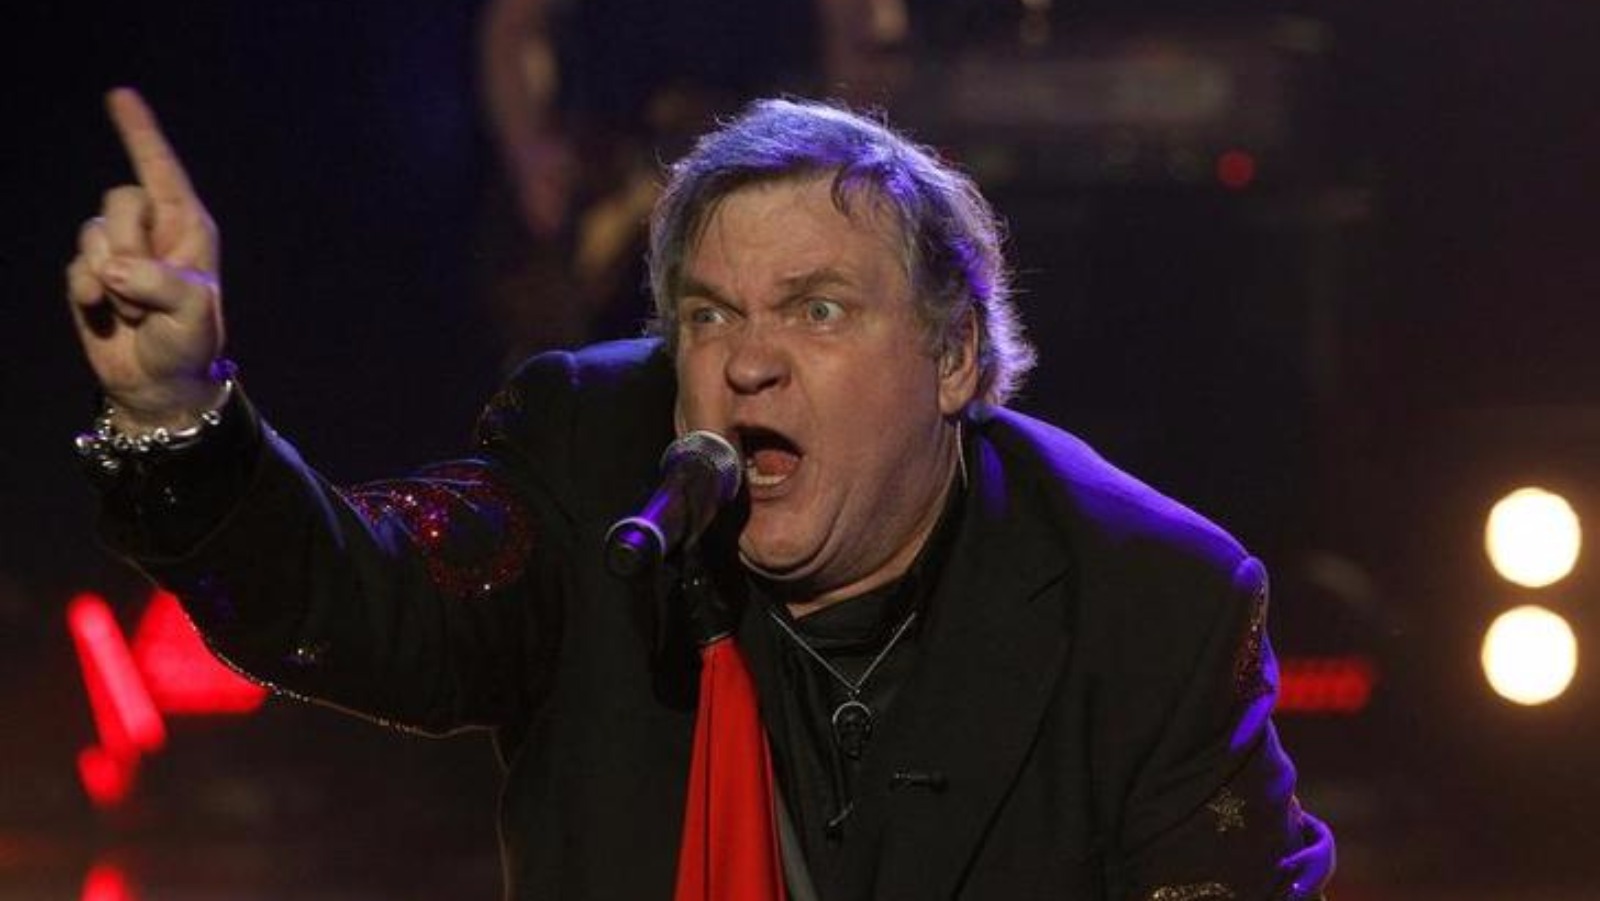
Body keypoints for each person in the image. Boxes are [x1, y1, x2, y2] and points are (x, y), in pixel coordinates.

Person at [67, 88, 1334, 900]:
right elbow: (360, 591)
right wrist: (178, 412)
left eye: (817, 310)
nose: (746, 362)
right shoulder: (591, 464)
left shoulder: (1146, 601)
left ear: (953, 356)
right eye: (709, 314)